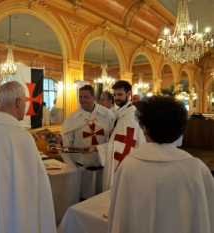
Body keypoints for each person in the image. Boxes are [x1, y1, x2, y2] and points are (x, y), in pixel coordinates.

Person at [109, 96, 214, 233]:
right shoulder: (197, 170)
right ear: (181, 130)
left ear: (145, 129)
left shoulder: (128, 166)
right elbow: (208, 215)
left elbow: (118, 215)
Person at [0, 81, 56, 233]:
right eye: (24, 102)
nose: (26, 106)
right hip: (15, 218)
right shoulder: (21, 137)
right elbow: (36, 187)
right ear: (17, 102)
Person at [62, 85, 115, 199]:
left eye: (86, 97)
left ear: (94, 97)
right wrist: (72, 167)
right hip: (82, 170)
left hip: (103, 168)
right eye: (80, 97)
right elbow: (66, 144)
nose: (82, 100)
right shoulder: (72, 118)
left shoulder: (108, 115)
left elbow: (113, 139)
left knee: (101, 202)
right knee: (82, 202)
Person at [97, 80, 145, 190]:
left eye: (120, 94)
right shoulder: (121, 113)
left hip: (124, 162)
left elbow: (123, 146)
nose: (116, 98)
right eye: (115, 95)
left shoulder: (129, 117)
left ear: (129, 94)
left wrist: (98, 149)